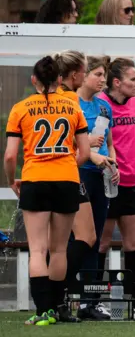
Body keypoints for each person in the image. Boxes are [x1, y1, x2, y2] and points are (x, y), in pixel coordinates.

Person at [4, 56, 90, 325]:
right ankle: (54, 307)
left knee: (38, 250)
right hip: (66, 180)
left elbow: (9, 156)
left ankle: (42, 312)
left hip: (35, 180)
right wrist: (64, 167)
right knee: (60, 249)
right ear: (60, 80)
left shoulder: (21, 108)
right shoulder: (72, 105)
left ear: (34, 80)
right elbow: (85, 152)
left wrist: (11, 181)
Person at [95, 58, 135, 319]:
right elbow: (96, 142)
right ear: (117, 82)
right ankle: (94, 300)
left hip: (133, 183)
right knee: (101, 243)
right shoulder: (101, 104)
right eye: (132, 79)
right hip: (108, 183)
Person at [63, 51, 119, 321]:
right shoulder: (69, 103)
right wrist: (90, 152)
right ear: (82, 75)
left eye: (105, 76)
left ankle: (89, 302)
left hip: (99, 177)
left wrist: (112, 165)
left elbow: (108, 142)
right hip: (77, 174)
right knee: (77, 239)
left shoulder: (103, 107)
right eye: (97, 74)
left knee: (95, 239)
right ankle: (61, 292)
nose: (102, 81)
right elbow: (67, 143)